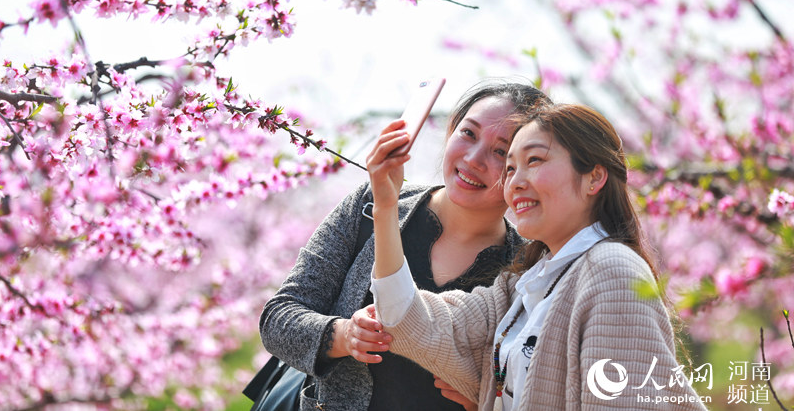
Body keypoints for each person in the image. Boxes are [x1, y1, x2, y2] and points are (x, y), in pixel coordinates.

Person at [367, 103, 709, 410]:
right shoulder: (524, 287)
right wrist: (386, 207)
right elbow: (407, 321)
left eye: (534, 160)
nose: (514, 183)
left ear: (594, 177)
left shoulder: (612, 272)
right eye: (511, 168)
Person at [259, 80, 550, 411]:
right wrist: (343, 335)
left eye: (500, 151)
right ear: (451, 130)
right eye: (468, 133)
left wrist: (486, 401)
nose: (473, 158)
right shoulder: (370, 207)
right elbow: (277, 319)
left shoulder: (532, 268)